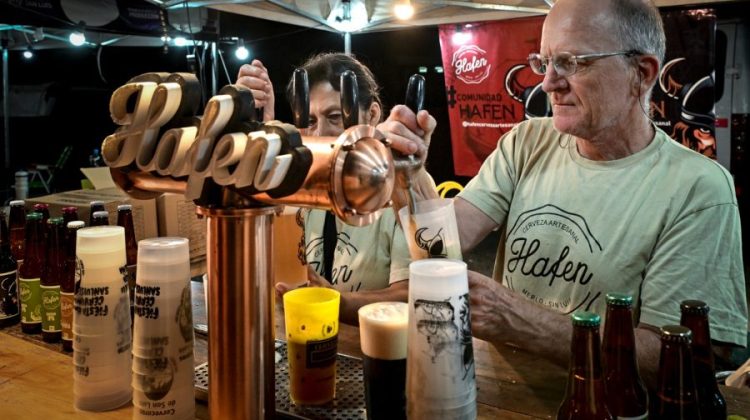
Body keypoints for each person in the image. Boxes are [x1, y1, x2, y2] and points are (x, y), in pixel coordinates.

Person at [382, 0, 747, 386]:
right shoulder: (527, 142)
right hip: (495, 398)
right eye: (544, 62)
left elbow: (673, 359)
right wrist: (409, 175)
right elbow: (440, 246)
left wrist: (522, 322)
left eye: (572, 62)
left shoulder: (697, 189)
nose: (547, 82)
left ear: (640, 73)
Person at [236, 53, 434, 325]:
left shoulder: (399, 185)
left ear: (373, 114)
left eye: (334, 116)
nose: (319, 135)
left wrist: (331, 301)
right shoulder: (302, 181)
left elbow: (414, 293)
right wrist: (259, 128)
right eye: (311, 121)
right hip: (300, 333)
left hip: (372, 347)